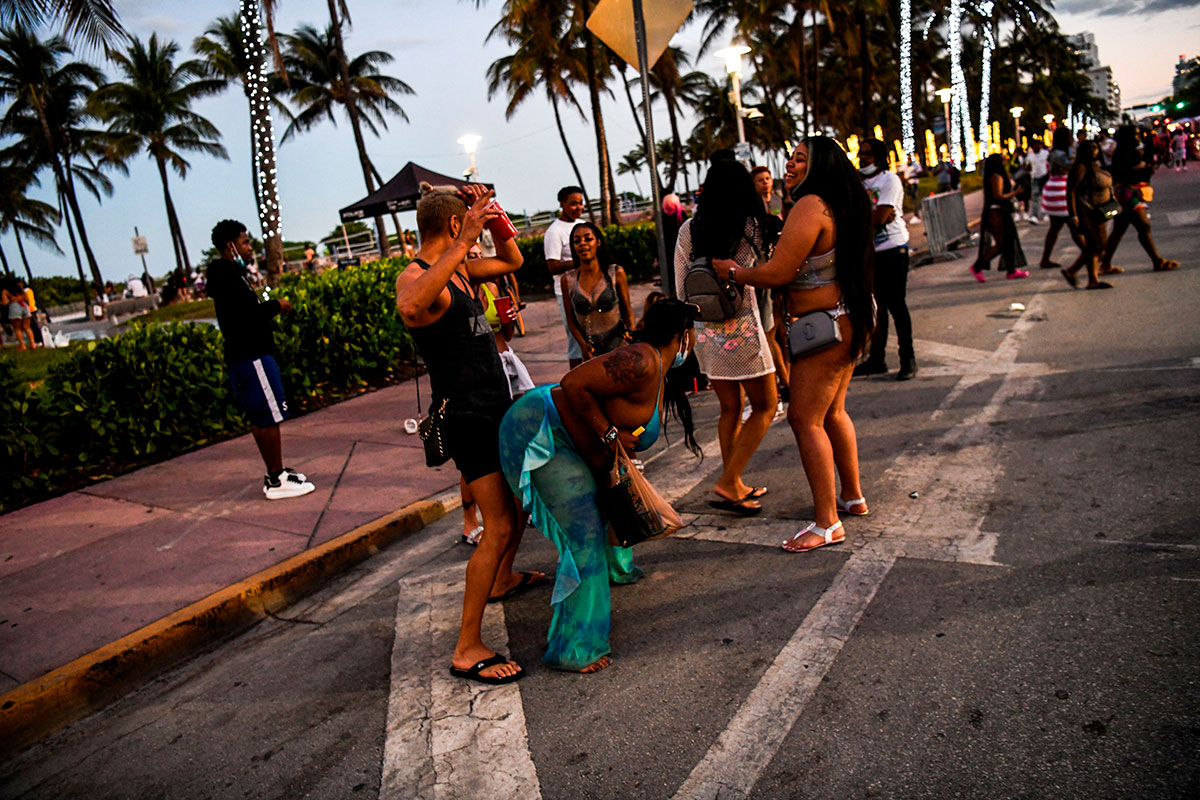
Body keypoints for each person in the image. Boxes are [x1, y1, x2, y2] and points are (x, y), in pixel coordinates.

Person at [497, 298, 700, 673]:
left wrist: (606, 449)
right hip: (539, 432)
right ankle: (574, 648)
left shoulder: (658, 366)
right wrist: (609, 435)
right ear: (683, 336)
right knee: (584, 536)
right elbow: (571, 384)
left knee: (602, 507)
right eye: (695, 333)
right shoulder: (642, 360)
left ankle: (615, 569)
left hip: (568, 439)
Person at [395, 182, 543, 686]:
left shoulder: (458, 272)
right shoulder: (417, 275)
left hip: (494, 407)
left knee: (516, 509)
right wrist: (463, 241)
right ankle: (466, 647)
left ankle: (502, 579)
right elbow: (412, 307)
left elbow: (513, 261)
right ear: (456, 226)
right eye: (470, 225)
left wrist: (495, 215)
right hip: (469, 417)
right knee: (497, 525)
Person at [713, 137, 874, 553]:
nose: (790, 164)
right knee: (834, 412)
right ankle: (852, 497)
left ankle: (826, 524)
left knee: (805, 420)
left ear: (820, 167)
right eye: (791, 157)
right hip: (848, 318)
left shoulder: (810, 205)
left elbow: (779, 272)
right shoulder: (844, 203)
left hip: (826, 329)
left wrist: (733, 272)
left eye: (801, 159)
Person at [675, 158, 778, 515]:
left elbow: (679, 287)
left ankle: (734, 480)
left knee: (730, 408)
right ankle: (728, 479)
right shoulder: (750, 225)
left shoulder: (689, 228)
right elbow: (762, 271)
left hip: (706, 329)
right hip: (743, 325)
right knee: (766, 405)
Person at [206, 220, 314, 500]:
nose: (249, 247)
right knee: (266, 416)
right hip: (251, 356)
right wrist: (277, 306)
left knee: (264, 415)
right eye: (244, 242)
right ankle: (276, 479)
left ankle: (276, 472)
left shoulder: (231, 275)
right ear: (231, 245)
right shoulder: (227, 276)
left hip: (249, 356)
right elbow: (245, 316)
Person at [855, 138, 916, 381]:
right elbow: (850, 214)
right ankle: (876, 360)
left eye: (868, 154)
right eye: (861, 153)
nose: (863, 158)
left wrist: (867, 218)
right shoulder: (857, 183)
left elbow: (880, 218)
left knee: (896, 306)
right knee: (877, 308)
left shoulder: (889, 179)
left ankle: (908, 359)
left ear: (879, 157)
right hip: (870, 252)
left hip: (893, 248)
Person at [1099, 125, 1180, 275]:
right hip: (1128, 193)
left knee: (1119, 230)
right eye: (1135, 134)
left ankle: (1105, 263)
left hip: (1128, 192)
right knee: (1143, 225)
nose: (1138, 136)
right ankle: (1156, 261)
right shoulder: (1125, 152)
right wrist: (1141, 166)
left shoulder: (1128, 150)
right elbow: (1124, 170)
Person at [561, 222, 636, 359]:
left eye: (588, 239)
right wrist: (583, 345)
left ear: (599, 242)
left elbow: (628, 312)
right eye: (577, 241)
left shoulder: (615, 273)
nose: (582, 244)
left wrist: (631, 335)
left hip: (621, 349)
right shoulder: (568, 280)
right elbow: (571, 321)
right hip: (591, 354)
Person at [1061, 141, 1115, 290]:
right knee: (1097, 244)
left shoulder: (1095, 166)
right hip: (1087, 212)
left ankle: (1088, 277)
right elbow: (1071, 191)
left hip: (1099, 211)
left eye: (1095, 147)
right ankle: (1078, 273)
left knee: (1094, 246)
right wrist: (1073, 215)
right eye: (1090, 148)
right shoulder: (1080, 167)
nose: (1093, 150)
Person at [544, 186, 587, 368]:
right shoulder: (555, 232)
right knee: (576, 339)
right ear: (562, 205)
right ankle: (576, 382)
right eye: (573, 204)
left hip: (588, 287)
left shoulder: (582, 224)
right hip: (568, 292)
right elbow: (553, 266)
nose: (578, 207)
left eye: (581, 203)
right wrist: (581, 260)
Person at [971, 154, 1029, 282]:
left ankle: (1011, 270)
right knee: (1001, 243)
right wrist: (1015, 193)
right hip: (996, 212)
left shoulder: (996, 175)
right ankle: (977, 266)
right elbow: (998, 196)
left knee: (1008, 241)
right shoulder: (996, 176)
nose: (1005, 162)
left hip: (1000, 211)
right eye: (1002, 160)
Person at [1038, 127, 1086, 271]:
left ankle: (1045, 259)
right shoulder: (1059, 153)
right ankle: (1091, 253)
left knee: (1055, 228)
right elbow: (1073, 166)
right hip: (1061, 190)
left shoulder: (1056, 152)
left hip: (1057, 189)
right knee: (1072, 223)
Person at [1, 278, 34, 350]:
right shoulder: (20, 289)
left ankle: (22, 345)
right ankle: (33, 344)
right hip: (24, 306)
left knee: (17, 329)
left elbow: (5, 302)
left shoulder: (5, 291)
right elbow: (26, 298)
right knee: (27, 327)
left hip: (14, 307)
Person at [1026, 138, 1050, 224]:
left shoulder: (1046, 154)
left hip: (1045, 177)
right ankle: (1034, 215)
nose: (1037, 146)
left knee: (1045, 196)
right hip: (1035, 178)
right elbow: (1027, 167)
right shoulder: (1030, 156)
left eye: (1038, 144)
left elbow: (1050, 164)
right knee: (1035, 197)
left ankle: (1045, 214)